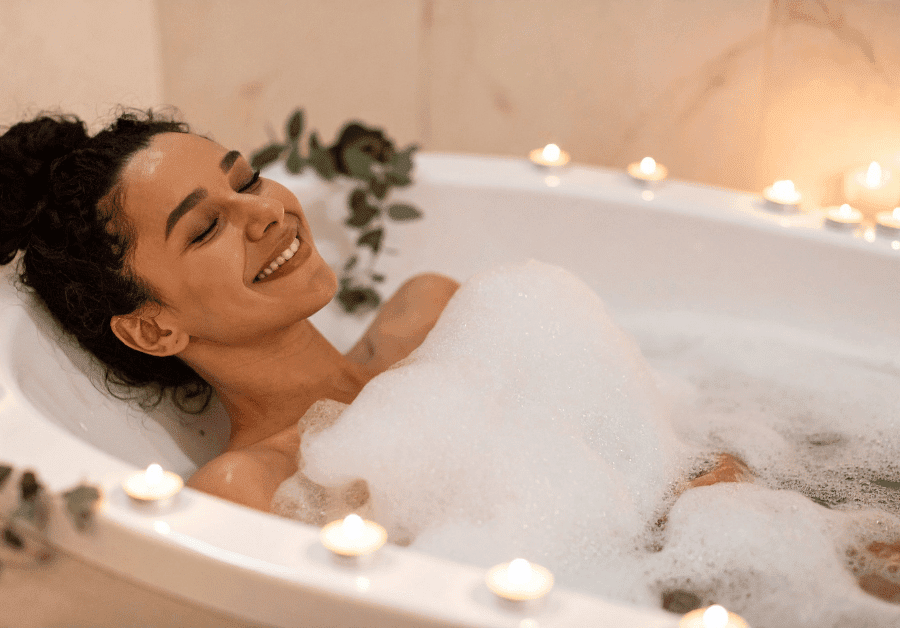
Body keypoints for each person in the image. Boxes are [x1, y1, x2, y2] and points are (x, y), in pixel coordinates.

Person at [0, 110, 459, 512]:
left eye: (247, 180)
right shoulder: (254, 490)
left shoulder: (433, 313)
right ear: (153, 331)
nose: (267, 212)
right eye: (205, 229)